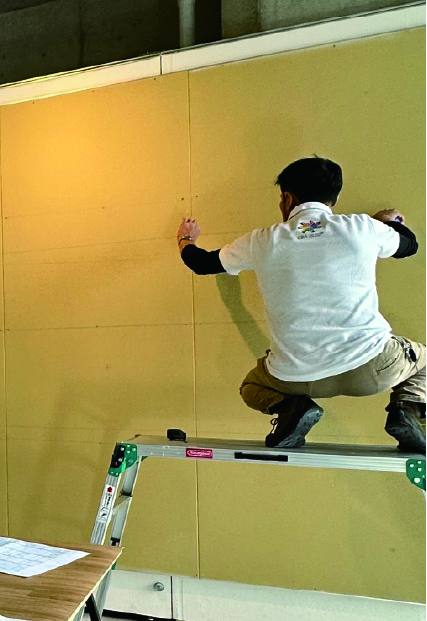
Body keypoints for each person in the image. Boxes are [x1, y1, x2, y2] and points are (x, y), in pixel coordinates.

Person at [177, 157, 424, 452]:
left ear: (287, 198)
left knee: (252, 387)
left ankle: (292, 408)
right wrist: (389, 222)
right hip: (371, 369)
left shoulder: (262, 241)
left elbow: (201, 263)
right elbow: (409, 245)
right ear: (334, 199)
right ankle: (408, 410)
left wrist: (185, 239)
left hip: (296, 377)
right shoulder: (363, 228)